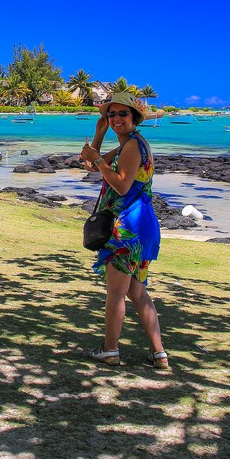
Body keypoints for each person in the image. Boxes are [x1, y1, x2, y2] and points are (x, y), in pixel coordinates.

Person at [79, 91, 167, 369]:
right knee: (137, 293)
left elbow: (121, 185)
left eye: (122, 114)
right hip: (141, 225)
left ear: (135, 117)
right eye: (111, 114)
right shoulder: (127, 144)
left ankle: (110, 350)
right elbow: (90, 165)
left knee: (116, 293)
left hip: (127, 226)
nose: (116, 118)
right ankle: (159, 354)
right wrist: (98, 136)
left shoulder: (132, 146)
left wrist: (99, 160)